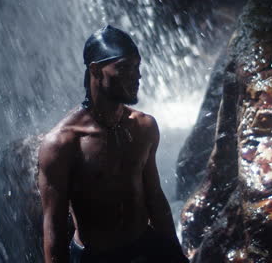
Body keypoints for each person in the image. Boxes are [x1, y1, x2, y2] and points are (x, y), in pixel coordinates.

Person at [38, 25, 189, 263]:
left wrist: (175, 254)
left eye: (137, 66)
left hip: (144, 248)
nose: (137, 75)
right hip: (94, 257)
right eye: (124, 68)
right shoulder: (62, 144)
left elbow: (155, 198)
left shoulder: (144, 127)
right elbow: (54, 230)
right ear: (96, 71)